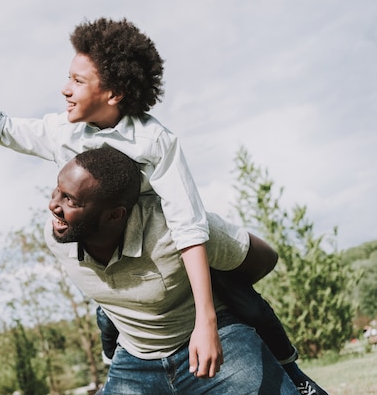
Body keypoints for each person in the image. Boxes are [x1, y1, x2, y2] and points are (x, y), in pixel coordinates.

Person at [0, 17, 326, 393]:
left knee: (232, 292)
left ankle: (290, 372)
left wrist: (206, 320)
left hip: (166, 256)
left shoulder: (153, 142)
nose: (64, 89)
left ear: (112, 93)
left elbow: (188, 224)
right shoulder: (63, 132)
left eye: (77, 81)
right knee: (111, 307)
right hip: (118, 266)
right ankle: (116, 336)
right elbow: (2, 127)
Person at [46, 146, 299, 394]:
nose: (53, 206)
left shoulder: (175, 229)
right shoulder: (58, 234)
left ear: (115, 216)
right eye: (58, 191)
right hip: (135, 357)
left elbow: (263, 258)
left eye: (70, 200)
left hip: (216, 338)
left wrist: (212, 306)